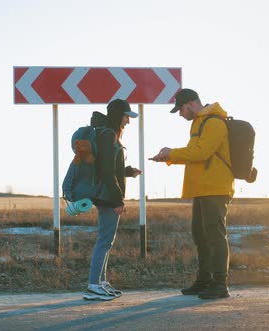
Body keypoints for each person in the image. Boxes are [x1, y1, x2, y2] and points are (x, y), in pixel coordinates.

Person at [151, 88, 234, 299]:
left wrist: (172, 153)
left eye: (181, 110)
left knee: (215, 236)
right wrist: (169, 157)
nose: (180, 114)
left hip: (215, 188)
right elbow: (193, 155)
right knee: (200, 236)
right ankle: (204, 281)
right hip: (202, 188)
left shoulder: (214, 122)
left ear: (190, 104)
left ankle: (219, 284)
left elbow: (201, 152)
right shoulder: (199, 123)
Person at [83, 99, 142, 301]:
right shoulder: (108, 135)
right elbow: (107, 172)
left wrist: (127, 171)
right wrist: (118, 200)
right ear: (118, 115)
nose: (128, 121)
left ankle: (100, 282)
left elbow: (110, 169)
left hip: (107, 195)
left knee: (106, 240)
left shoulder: (107, 134)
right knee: (104, 241)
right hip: (108, 196)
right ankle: (93, 286)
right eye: (126, 116)